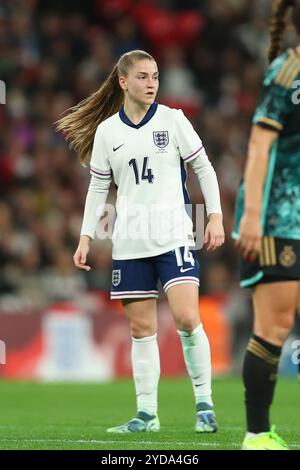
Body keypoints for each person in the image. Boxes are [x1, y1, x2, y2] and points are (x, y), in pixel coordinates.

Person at [56, 50, 224, 434]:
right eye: (144, 77)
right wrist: (85, 237)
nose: (152, 84)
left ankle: (204, 405)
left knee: (186, 318)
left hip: (173, 234)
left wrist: (214, 215)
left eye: (156, 77)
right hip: (130, 241)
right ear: (123, 82)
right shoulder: (107, 132)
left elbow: (203, 167)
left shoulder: (173, 120)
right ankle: (147, 415)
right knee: (140, 330)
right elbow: (98, 186)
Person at [233, 0, 300, 450]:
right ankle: (257, 435)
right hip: (278, 218)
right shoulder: (288, 71)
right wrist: (253, 217)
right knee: (275, 327)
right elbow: (260, 145)